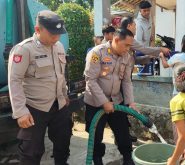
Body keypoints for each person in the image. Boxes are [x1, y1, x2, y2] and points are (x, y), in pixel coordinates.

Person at [8, 10, 71, 165]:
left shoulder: (59, 47)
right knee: (31, 152)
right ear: (38, 30)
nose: (56, 38)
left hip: (59, 105)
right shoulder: (24, 49)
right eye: (52, 34)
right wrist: (20, 112)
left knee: (63, 144)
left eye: (59, 34)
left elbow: (60, 75)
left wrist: (64, 94)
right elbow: (14, 80)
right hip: (34, 108)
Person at [83, 29, 137, 165]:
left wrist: (130, 102)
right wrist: (104, 102)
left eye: (130, 46)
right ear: (116, 40)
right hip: (95, 103)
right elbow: (91, 80)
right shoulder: (97, 53)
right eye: (126, 45)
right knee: (95, 137)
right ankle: (97, 160)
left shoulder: (127, 56)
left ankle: (127, 158)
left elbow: (126, 81)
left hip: (116, 101)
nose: (128, 49)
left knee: (123, 134)